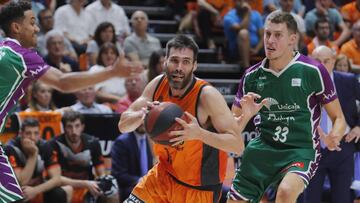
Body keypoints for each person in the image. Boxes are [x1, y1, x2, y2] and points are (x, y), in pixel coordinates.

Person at [0, 1, 140, 202]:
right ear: (16, 27)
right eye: (32, 23)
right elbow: (63, 83)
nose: (37, 28)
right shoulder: (21, 56)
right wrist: (111, 72)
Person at [118, 34, 265, 203]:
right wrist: (142, 115)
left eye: (186, 61)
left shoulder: (207, 96)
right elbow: (123, 125)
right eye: (174, 60)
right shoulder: (157, 84)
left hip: (198, 191)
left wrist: (199, 134)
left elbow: (237, 146)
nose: (179, 67)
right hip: (161, 178)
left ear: (194, 65)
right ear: (165, 61)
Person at [228, 11, 346, 203]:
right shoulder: (251, 76)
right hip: (262, 148)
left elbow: (338, 117)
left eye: (277, 35)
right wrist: (244, 117)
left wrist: (335, 135)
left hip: (301, 149)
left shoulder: (313, 70)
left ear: (292, 39)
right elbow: (232, 129)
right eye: (267, 34)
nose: (270, 40)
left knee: (286, 192)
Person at [302, 45, 360, 203]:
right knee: (310, 199)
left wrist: (359, 127)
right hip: (312, 149)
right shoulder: (302, 83)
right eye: (317, 61)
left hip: (343, 146)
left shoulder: (348, 80)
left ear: (333, 61)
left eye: (326, 61)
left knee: (342, 199)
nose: (321, 65)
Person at [48, 111, 118, 203]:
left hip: (88, 185)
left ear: (82, 127)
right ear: (64, 128)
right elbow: (55, 179)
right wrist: (85, 184)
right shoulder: (53, 144)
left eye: (77, 126)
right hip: (64, 186)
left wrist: (103, 185)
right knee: (62, 191)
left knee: (112, 193)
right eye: (69, 126)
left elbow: (101, 173)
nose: (74, 131)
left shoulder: (93, 143)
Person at [5, 118, 65, 203]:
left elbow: (57, 179)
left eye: (36, 133)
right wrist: (33, 155)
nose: (32, 138)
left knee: (59, 193)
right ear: (21, 134)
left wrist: (35, 190)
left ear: (39, 134)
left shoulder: (45, 146)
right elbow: (21, 182)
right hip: (13, 189)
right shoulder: (10, 148)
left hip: (36, 187)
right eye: (28, 133)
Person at [111, 124, 153, 201]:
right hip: (129, 188)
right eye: (139, 119)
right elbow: (119, 174)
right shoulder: (122, 142)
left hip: (149, 186)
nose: (142, 123)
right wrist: (140, 180)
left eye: (144, 119)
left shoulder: (153, 140)